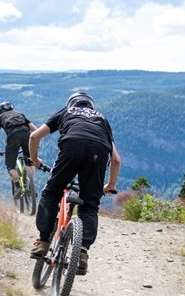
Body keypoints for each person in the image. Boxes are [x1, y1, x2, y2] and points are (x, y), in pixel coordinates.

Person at [29, 91, 121, 275]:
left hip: (72, 146)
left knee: (51, 192)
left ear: (72, 103)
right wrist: (110, 185)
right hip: (98, 152)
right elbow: (116, 160)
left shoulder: (67, 111)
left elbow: (34, 137)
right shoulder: (102, 119)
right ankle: (82, 252)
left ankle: (43, 241)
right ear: (91, 106)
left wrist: (34, 159)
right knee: (89, 205)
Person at [0, 101, 37, 197]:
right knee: (30, 161)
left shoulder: (0, 117)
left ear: (1, 110)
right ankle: (31, 186)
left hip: (13, 136)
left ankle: (18, 188)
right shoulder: (20, 114)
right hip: (27, 135)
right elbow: (35, 129)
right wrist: (35, 142)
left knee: (10, 166)